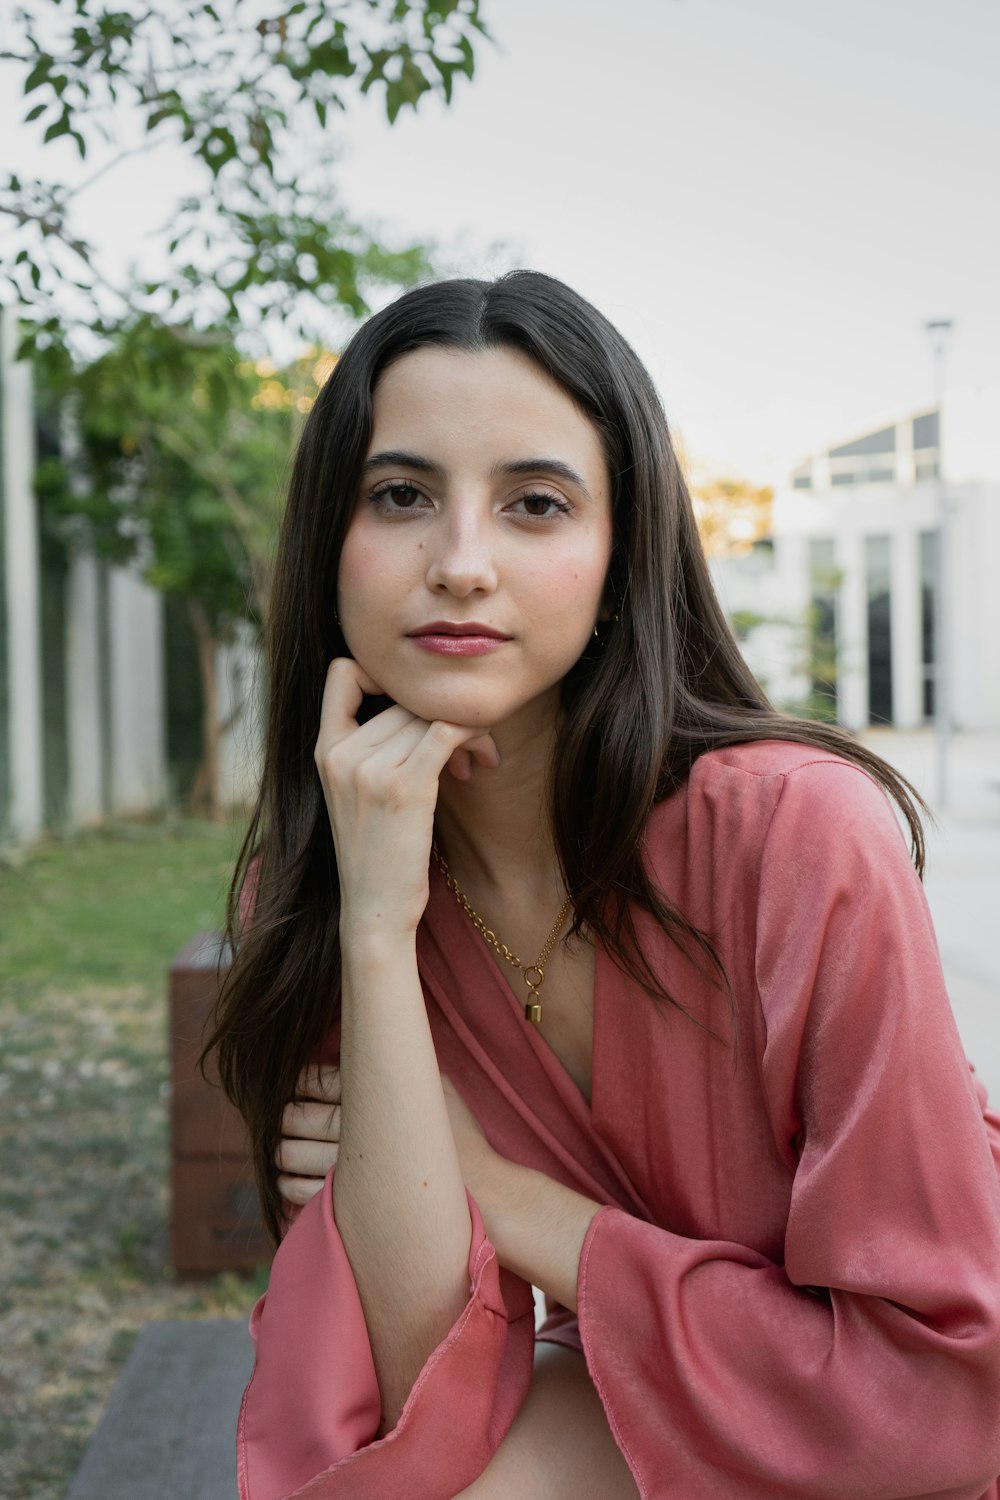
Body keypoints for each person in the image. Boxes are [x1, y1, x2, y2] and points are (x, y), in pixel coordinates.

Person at [206, 272, 1000, 1500]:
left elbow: (939, 1398)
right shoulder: (334, 870)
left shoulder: (792, 836)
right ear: (332, 541)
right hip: (635, 1394)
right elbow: (425, 1387)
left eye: (534, 503)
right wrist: (376, 930)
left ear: (618, 550)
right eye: (403, 494)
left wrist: (489, 1189)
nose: (460, 563)